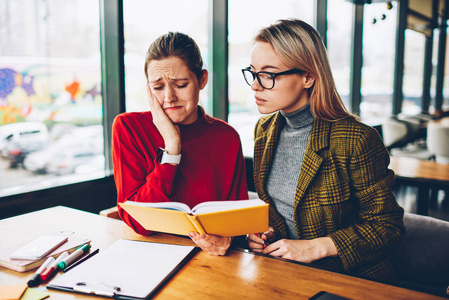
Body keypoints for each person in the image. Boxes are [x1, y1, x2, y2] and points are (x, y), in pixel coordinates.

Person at [243, 19, 405, 281]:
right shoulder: (264, 130)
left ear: (308, 76)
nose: (255, 85)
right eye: (253, 72)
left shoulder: (356, 139)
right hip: (289, 274)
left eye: (269, 75)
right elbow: (284, 210)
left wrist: (317, 246)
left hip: (354, 279)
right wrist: (269, 232)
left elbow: (387, 227)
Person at [112, 32, 248, 255]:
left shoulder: (226, 137)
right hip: (147, 255)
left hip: (209, 260)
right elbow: (137, 221)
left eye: (181, 84)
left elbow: (237, 220)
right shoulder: (129, 127)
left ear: (202, 80)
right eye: (158, 87)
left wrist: (228, 239)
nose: (169, 97)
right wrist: (172, 149)